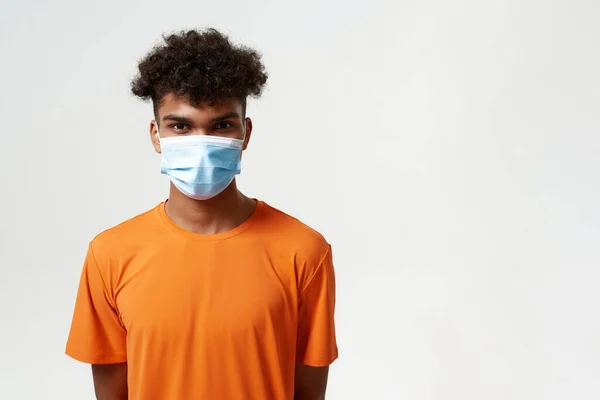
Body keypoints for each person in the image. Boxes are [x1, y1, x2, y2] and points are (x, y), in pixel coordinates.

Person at [65, 28, 338, 400]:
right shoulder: (110, 255)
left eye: (222, 125)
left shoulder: (304, 252)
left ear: (246, 133)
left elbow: (309, 392)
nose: (202, 143)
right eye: (181, 126)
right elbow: (112, 393)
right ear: (155, 134)